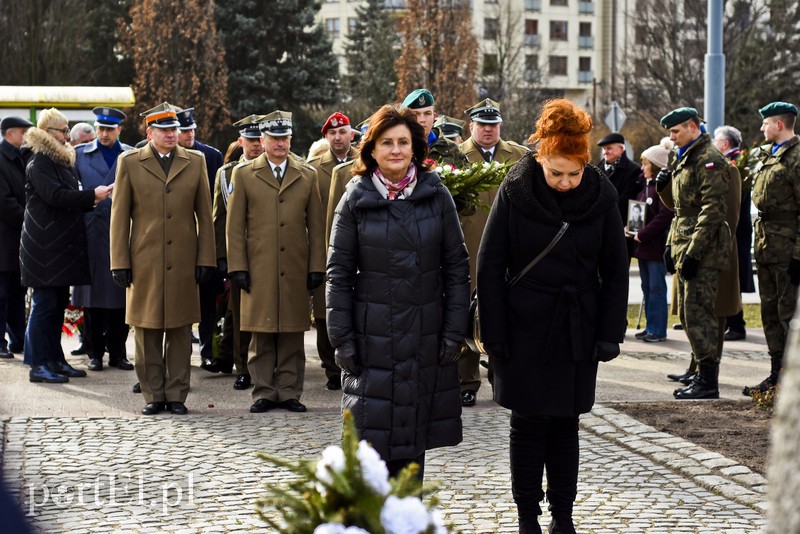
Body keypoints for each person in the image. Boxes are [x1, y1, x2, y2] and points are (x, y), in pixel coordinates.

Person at [477, 99, 628, 533]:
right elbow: (490, 265)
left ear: (586, 164)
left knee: (566, 424)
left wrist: (608, 333)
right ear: (539, 157)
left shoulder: (600, 195)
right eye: (556, 172)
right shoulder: (516, 188)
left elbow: (616, 271)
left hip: (576, 327)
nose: (565, 183)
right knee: (526, 424)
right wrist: (495, 332)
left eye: (574, 174)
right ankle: (528, 515)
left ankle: (563, 514)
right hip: (523, 325)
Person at [326, 104, 469, 480]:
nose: (395, 150)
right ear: (371, 148)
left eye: (403, 142)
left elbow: (457, 267)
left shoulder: (436, 196)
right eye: (387, 142)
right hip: (372, 339)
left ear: (416, 148)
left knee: (412, 451)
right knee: (369, 451)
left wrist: (455, 332)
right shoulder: (355, 199)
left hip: (425, 336)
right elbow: (338, 274)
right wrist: (341, 339)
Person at [110, 102, 216, 415]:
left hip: (184, 258)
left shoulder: (194, 162)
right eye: (165, 130)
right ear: (150, 132)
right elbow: (119, 217)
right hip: (144, 259)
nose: (172, 135)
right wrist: (119, 262)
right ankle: (153, 394)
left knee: (181, 330)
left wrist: (205, 258)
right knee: (147, 330)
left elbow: (204, 216)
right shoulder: (129, 162)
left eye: (175, 130)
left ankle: (177, 395)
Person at [226, 110, 325, 414]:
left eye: (285, 138)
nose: (280, 143)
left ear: (290, 139)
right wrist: (238, 267)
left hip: (295, 266)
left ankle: (290, 391)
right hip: (259, 266)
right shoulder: (243, 174)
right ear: (263, 140)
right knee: (262, 332)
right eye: (274, 138)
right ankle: (264, 391)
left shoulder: (306, 174)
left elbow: (317, 226)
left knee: (294, 333)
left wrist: (316, 267)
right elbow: (235, 226)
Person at [21, 108, 113, 383]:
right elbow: (56, 196)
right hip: (45, 249)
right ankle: (39, 364)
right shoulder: (39, 162)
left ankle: (54, 359)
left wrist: (90, 197)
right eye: (63, 130)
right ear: (49, 133)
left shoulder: (57, 162)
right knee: (45, 306)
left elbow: (65, 195)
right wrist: (91, 196)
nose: (67, 135)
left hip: (57, 247)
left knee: (57, 305)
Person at [657, 107, 732, 400]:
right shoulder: (684, 156)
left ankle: (708, 382)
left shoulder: (709, 159)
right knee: (688, 315)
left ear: (692, 126)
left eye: (675, 131)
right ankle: (700, 374)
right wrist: (670, 245)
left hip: (705, 250)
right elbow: (680, 210)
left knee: (700, 315)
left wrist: (694, 253)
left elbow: (712, 211)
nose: (672, 138)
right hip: (684, 242)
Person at [458, 98, 529, 408]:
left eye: (493, 124)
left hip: (508, 250)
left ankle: (500, 378)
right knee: (465, 314)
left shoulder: (520, 156)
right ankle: (466, 381)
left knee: (504, 315)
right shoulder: (458, 158)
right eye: (482, 125)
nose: (488, 130)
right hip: (468, 248)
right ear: (471, 126)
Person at [71, 107, 134, 372]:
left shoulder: (130, 156)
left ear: (119, 130)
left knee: (121, 298)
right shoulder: (79, 155)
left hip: (123, 233)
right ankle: (95, 351)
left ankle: (119, 352)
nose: (104, 133)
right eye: (100, 128)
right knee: (93, 298)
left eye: (109, 129)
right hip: (91, 233)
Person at [743, 102, 800, 395]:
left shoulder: (796, 157)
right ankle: (776, 374)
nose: (762, 129)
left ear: (779, 124)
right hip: (767, 245)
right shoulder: (771, 154)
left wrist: (798, 254)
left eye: (765, 124)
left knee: (787, 314)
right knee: (769, 313)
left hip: (787, 247)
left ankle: (792, 378)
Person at [205, 115, 264, 390]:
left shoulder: (276, 168)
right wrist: (220, 257)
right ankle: (243, 368)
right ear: (240, 142)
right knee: (239, 315)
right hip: (238, 254)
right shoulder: (226, 173)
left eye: (258, 140)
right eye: (250, 140)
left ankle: (266, 365)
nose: (255, 146)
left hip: (267, 251)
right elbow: (219, 217)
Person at [307, 112, 358, 391]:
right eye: (332, 134)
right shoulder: (314, 168)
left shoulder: (366, 162)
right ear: (325, 138)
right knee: (326, 311)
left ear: (351, 134)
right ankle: (330, 368)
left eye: (343, 132)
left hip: (359, 244)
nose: (338, 138)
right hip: (326, 246)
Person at [175, 107, 225, 366]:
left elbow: (216, 202)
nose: (188, 135)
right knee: (178, 300)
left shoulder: (211, 156)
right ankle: (178, 355)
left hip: (203, 237)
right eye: (184, 131)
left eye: (192, 130)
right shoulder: (170, 156)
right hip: (178, 237)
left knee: (207, 300)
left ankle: (207, 351)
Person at [712, 125, 755, 342]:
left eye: (716, 140)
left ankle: (737, 325)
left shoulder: (735, 164)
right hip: (735, 228)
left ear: (725, 144)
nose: (713, 143)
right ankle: (731, 322)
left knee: (732, 278)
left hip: (736, 230)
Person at [631, 138, 674, 343]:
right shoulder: (644, 186)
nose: (642, 167)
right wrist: (631, 228)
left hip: (655, 246)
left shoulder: (661, 187)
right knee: (646, 287)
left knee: (657, 287)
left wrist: (644, 233)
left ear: (656, 166)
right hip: (643, 247)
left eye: (646, 163)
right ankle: (650, 325)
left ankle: (657, 329)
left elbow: (664, 216)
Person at [0, 116, 32, 359]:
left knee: (16, 293)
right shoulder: (3, 159)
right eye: (23, 132)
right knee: (2, 294)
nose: (26, 137)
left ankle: (17, 340)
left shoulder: (20, 158)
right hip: (5, 238)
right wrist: (30, 219)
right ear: (9, 134)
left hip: (17, 238)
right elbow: (5, 202)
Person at [598, 132, 642, 261]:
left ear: (621, 149)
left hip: (621, 229)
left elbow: (626, 200)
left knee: (618, 270)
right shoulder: (598, 169)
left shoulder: (633, 170)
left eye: (609, 148)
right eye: (604, 148)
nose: (605, 152)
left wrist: (600, 205)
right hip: (600, 228)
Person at [402, 88, 467, 167]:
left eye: (427, 113)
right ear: (406, 118)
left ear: (434, 117)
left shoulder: (452, 149)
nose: (422, 120)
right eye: (416, 114)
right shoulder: (399, 149)